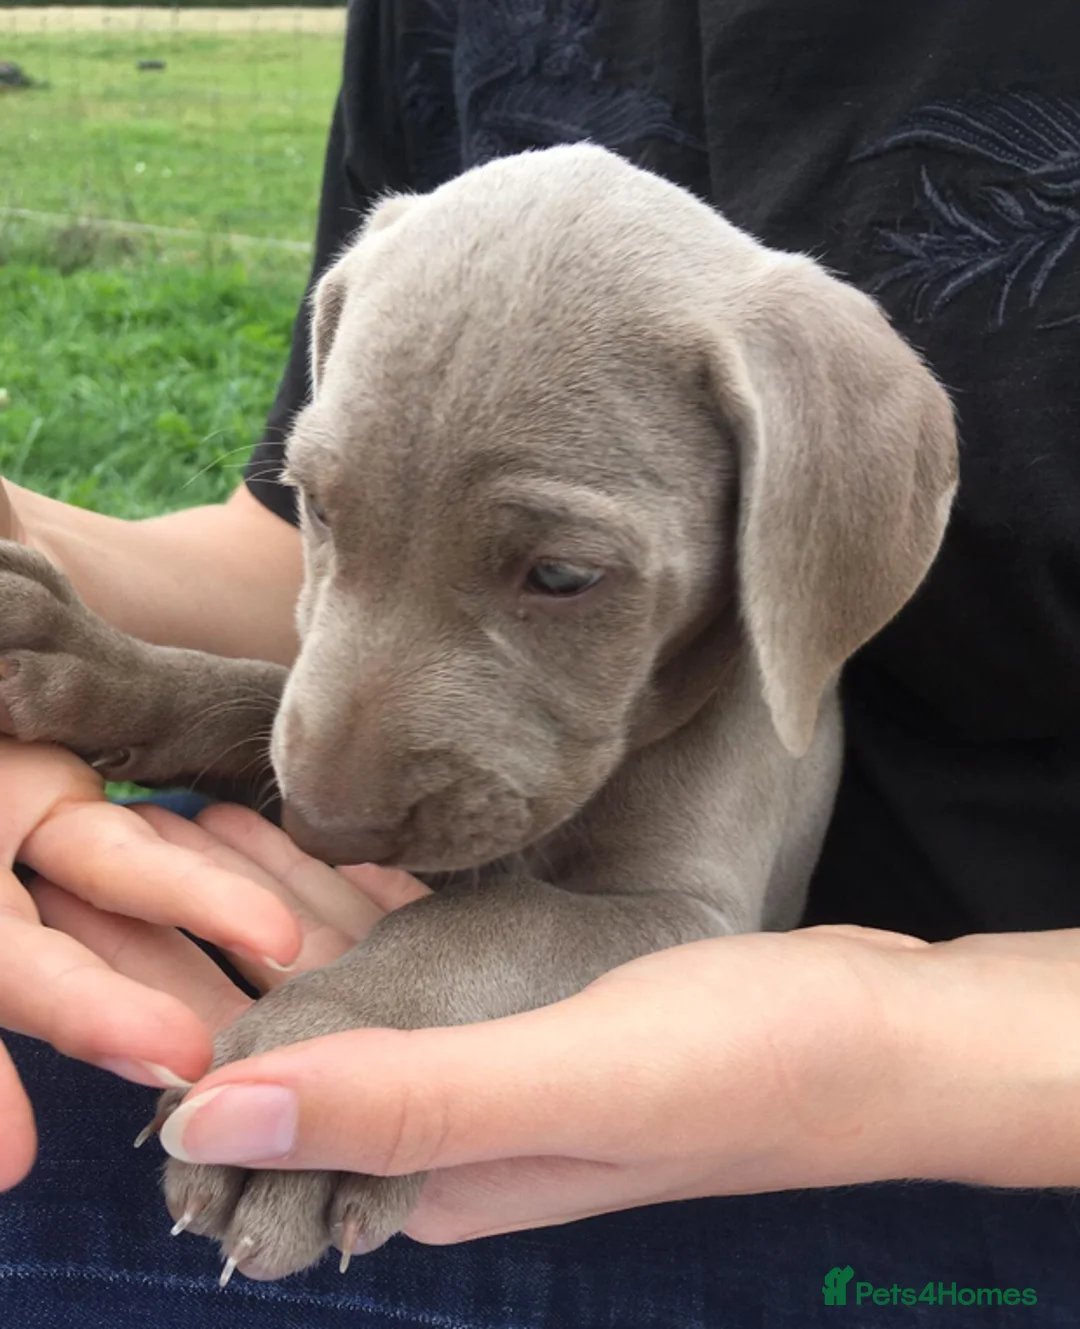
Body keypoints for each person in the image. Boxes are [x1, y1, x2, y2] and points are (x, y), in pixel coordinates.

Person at [2, 1, 1080, 1324]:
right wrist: (108, 667)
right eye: (337, 502)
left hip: (956, 1131)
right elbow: (312, 568)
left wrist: (387, 996)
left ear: (808, 515)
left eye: (559, 575)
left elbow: (674, 913)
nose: (332, 796)